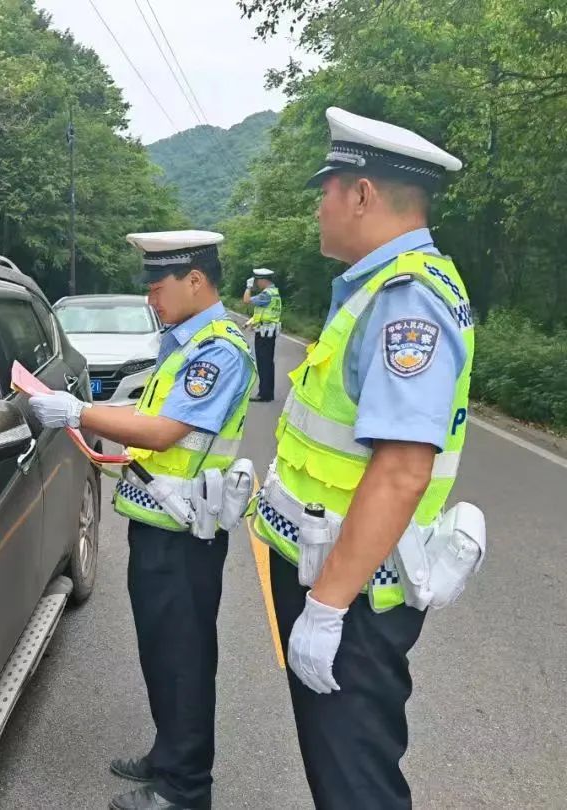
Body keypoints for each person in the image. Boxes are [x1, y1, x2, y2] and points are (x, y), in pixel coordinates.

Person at [252, 106, 479, 809]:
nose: (318, 208)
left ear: (361, 194)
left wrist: (325, 608)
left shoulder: (405, 301)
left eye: (327, 190)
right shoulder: (379, 290)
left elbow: (404, 467)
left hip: (352, 591)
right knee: (341, 771)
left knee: (355, 784)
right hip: (340, 574)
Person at [28, 231, 256, 810]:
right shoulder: (183, 344)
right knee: (161, 650)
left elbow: (163, 432)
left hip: (185, 534)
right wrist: (98, 415)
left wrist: (80, 410)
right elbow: (150, 413)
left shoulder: (218, 349)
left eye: (158, 288)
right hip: (159, 527)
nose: (152, 300)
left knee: (183, 656)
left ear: (195, 281)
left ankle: (185, 790)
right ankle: (168, 755)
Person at [242, 267, 282, 402]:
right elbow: (264, 313)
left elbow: (246, 300)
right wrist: (249, 322)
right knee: (268, 363)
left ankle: (264, 394)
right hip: (269, 331)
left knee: (263, 363)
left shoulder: (266, 294)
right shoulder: (274, 292)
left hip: (265, 333)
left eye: (258, 281)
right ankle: (267, 393)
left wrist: (248, 287)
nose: (256, 284)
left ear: (264, 280)